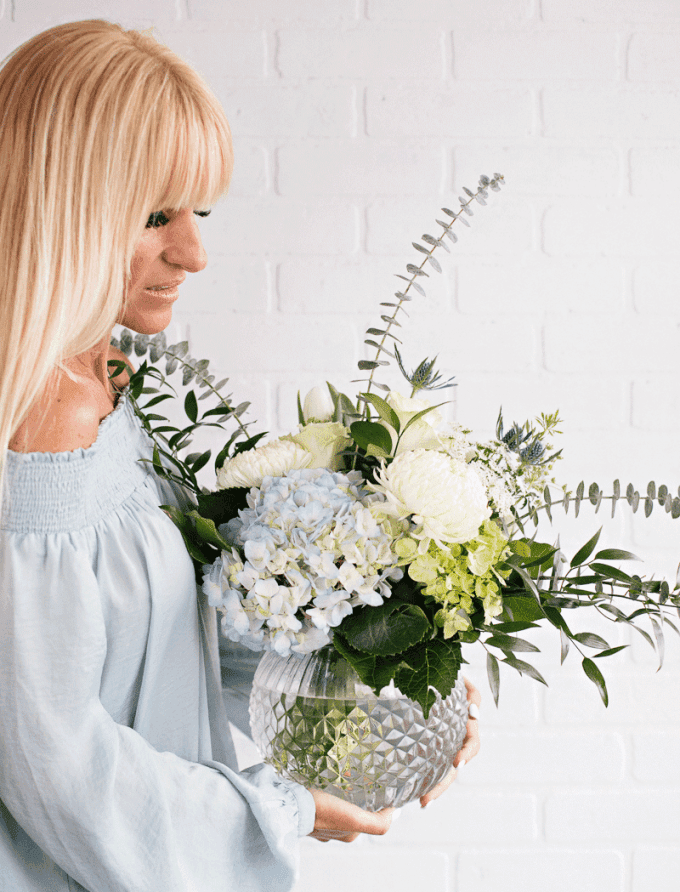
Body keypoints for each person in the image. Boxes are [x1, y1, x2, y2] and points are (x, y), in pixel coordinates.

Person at [0, 19, 480, 892]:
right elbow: (52, 762)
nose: (193, 252)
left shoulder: (101, 374)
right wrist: (282, 809)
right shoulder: (47, 418)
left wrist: (384, 692)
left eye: (198, 213)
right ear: (63, 205)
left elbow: (150, 633)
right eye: (153, 216)